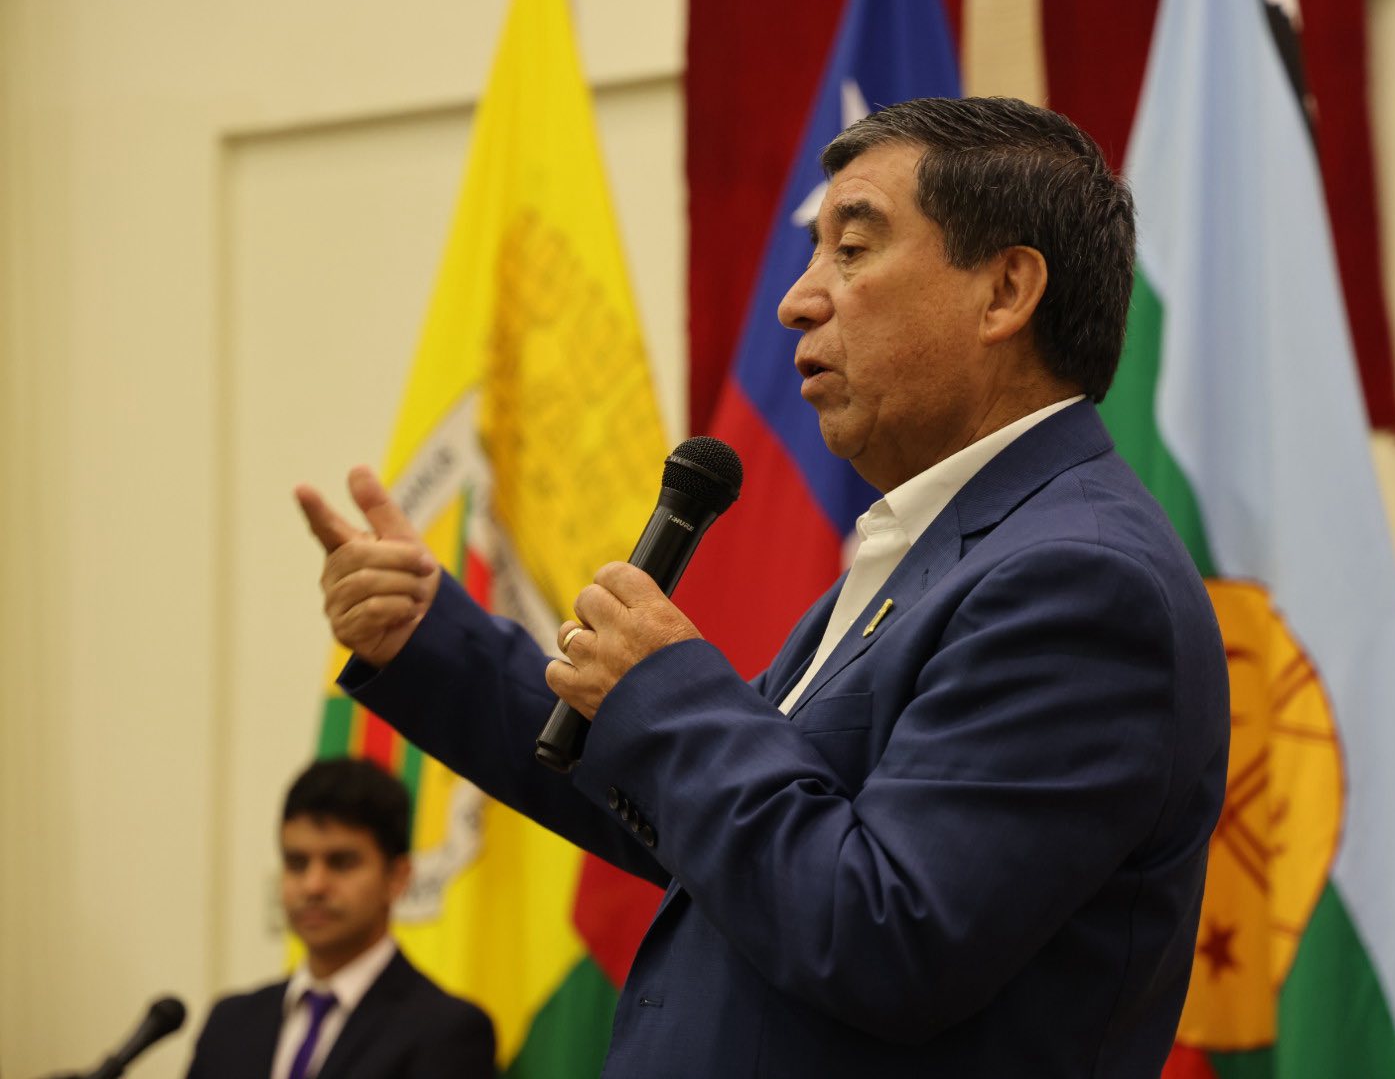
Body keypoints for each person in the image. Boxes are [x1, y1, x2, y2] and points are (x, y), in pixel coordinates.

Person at [297, 96, 1229, 1077]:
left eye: (852, 249)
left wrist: (666, 690)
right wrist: (429, 637)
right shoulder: (942, 550)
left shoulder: (1080, 582)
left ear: (1005, 292)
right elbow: (719, 828)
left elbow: (886, 933)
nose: (798, 299)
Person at [185, 758, 495, 1079]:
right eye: (297, 863)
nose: (313, 885)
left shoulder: (445, 1032)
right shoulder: (230, 1024)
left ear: (397, 878)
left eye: (341, 862)